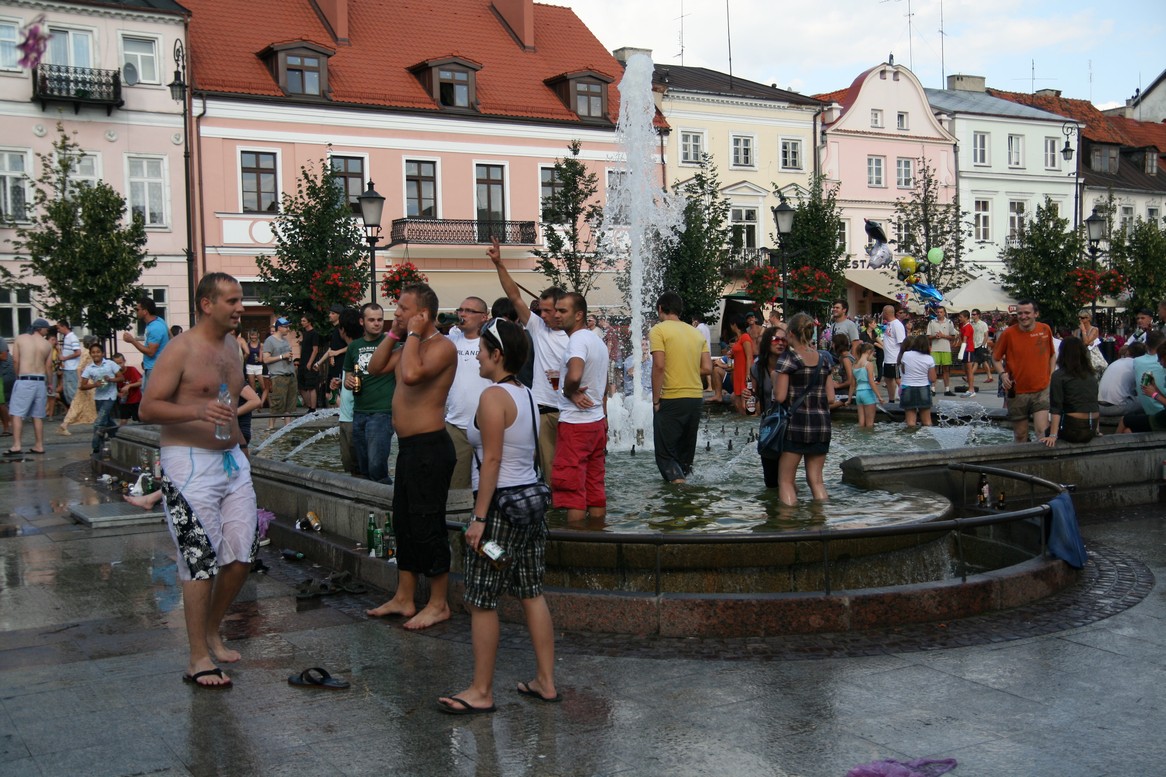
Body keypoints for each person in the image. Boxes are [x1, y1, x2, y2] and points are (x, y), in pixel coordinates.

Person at [139, 272, 256, 689]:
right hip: (188, 462)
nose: (240, 307)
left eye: (240, 300)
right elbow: (147, 409)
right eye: (232, 301)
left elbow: (227, 403)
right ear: (207, 304)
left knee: (242, 555)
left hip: (231, 460)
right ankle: (197, 658)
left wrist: (241, 449)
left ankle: (210, 629)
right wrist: (196, 411)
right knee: (199, 558)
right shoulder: (181, 348)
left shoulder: (232, 346)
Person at [436, 317, 558, 715]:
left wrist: (479, 519)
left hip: (500, 512)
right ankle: (545, 681)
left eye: (483, 351)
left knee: (482, 599)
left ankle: (481, 690)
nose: (477, 357)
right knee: (531, 592)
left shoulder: (493, 397)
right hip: (530, 508)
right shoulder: (526, 394)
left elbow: (491, 461)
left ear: (497, 354)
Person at [365, 283, 457, 630]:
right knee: (404, 522)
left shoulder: (442, 346)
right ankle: (404, 597)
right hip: (408, 449)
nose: (397, 312)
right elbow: (375, 367)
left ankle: (439, 603)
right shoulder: (408, 345)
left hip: (430, 447)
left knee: (427, 523)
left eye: (404, 308)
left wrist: (414, 334)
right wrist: (394, 333)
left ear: (423, 314)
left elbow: (411, 375)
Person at [488, 238, 568, 481]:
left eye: (547, 311)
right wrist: (499, 264)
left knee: (571, 469)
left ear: (561, 310)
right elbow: (514, 297)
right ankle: (552, 504)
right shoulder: (538, 327)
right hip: (543, 409)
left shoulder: (576, 336)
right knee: (549, 472)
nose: (541, 315)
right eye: (540, 310)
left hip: (570, 411)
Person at [553, 292, 609, 522]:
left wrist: (569, 391)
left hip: (576, 424)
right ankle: (597, 534)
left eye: (562, 311)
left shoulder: (576, 340)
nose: (556, 315)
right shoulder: (597, 341)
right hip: (596, 423)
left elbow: (575, 375)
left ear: (578, 315)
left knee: (572, 490)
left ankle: (575, 539)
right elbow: (602, 384)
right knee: (595, 486)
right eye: (556, 310)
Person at [772, 312, 835, 506]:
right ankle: (820, 519)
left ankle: (788, 520)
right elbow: (831, 398)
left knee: (785, 481)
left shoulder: (789, 359)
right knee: (816, 480)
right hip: (821, 425)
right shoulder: (824, 359)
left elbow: (780, 396)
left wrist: (775, 379)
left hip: (796, 425)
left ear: (791, 334)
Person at [649, 291, 711, 483]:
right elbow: (707, 368)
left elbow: (659, 366)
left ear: (660, 308)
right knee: (685, 459)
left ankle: (678, 491)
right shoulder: (696, 333)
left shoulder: (658, 330)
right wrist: (686, 369)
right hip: (695, 399)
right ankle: (686, 494)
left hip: (671, 398)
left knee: (666, 455)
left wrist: (656, 400)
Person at [343, 304, 396, 484]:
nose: (377, 323)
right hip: (359, 412)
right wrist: (348, 381)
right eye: (372, 320)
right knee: (363, 466)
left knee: (376, 466)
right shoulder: (354, 346)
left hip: (382, 412)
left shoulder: (391, 344)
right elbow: (348, 374)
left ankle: (385, 497)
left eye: (380, 319)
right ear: (362, 321)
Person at [445, 297, 493, 490]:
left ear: (484, 317)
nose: (463, 314)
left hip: (487, 427)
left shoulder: (491, 344)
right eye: (461, 310)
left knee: (489, 485)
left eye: (470, 311)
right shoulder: (450, 342)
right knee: (456, 487)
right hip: (456, 425)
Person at [993, 299, 1057, 442]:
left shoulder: (1045, 329)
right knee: (1020, 434)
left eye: (1027, 313)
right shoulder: (1008, 333)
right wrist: (1002, 375)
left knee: (1042, 431)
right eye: (1019, 313)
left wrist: (1051, 375)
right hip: (1017, 391)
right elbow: (995, 358)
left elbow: (1052, 355)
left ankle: (1042, 456)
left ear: (1036, 314)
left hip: (1041, 390)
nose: (1023, 316)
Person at [5, 318, 54, 456]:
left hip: (25, 379)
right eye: (46, 329)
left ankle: (16, 445)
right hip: (40, 382)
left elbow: (15, 360)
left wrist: (17, 376)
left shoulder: (20, 339)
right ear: (40, 328)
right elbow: (49, 366)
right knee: (37, 415)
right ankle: (39, 445)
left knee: (16, 413)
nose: (47, 331)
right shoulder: (47, 344)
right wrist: (50, 383)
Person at [1040, 336, 1100, 447]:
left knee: (1046, 432)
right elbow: (1094, 402)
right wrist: (1096, 430)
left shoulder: (1059, 376)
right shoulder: (1091, 375)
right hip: (1091, 429)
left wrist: (1053, 435)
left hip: (1072, 430)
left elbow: (1056, 407)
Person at [748, 323, 787, 488]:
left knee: (786, 479)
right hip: (769, 425)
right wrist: (749, 396)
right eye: (776, 339)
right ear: (767, 342)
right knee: (770, 480)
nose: (781, 343)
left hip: (789, 424)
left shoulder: (790, 365)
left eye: (784, 340)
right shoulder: (757, 368)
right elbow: (754, 397)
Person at [329, 308, 363, 475]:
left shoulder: (357, 351)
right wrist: (341, 383)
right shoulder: (352, 351)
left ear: (342, 330)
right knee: (352, 468)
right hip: (346, 415)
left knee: (355, 468)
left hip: (353, 418)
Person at [79, 343, 120, 454]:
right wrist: (94, 384)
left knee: (99, 422)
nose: (96, 354)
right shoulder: (89, 368)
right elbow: (82, 386)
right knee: (106, 420)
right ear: (90, 354)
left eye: (98, 352)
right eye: (93, 352)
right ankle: (117, 435)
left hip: (110, 396)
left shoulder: (110, 364)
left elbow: (121, 377)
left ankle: (96, 446)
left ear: (102, 353)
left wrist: (111, 379)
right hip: (98, 397)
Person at [122, 296, 169, 390]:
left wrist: (132, 341)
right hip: (154, 367)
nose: (136, 311)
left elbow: (151, 352)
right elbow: (171, 336)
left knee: (151, 397)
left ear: (145, 311)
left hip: (155, 368)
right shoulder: (158, 320)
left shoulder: (155, 328)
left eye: (137, 309)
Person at [59, 336, 98, 435]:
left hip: (89, 381)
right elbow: (79, 368)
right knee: (80, 404)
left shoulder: (89, 352)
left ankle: (99, 424)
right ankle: (65, 424)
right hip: (88, 382)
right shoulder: (87, 353)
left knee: (84, 404)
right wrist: (81, 381)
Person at [262, 317, 296, 428]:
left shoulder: (285, 341)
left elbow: (287, 355)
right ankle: (270, 427)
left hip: (290, 374)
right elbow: (266, 359)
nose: (288, 329)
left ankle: (288, 427)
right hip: (278, 376)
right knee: (276, 404)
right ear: (279, 327)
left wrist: (289, 357)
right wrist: (282, 356)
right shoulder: (269, 341)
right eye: (286, 327)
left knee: (289, 405)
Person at [1098, 342, 1145, 420]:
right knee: (1146, 400)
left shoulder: (1115, 362)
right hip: (1116, 407)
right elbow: (1142, 389)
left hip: (1099, 406)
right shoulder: (1137, 364)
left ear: (1128, 352)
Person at [899, 334, 937, 427]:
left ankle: (911, 435)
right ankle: (926, 435)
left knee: (910, 423)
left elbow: (903, 371)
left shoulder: (906, 355)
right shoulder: (929, 359)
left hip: (907, 388)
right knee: (927, 422)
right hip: (923, 388)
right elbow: (932, 379)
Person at [877, 304, 906, 403]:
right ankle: (891, 400)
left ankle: (905, 398)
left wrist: (901, 358)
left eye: (883, 312)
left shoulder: (897, 325)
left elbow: (902, 342)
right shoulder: (888, 324)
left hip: (895, 358)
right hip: (887, 358)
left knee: (897, 379)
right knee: (888, 379)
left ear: (886, 313)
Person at [926, 306, 957, 396]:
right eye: (938, 312)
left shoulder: (949, 322)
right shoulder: (932, 322)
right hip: (935, 349)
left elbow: (953, 336)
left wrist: (943, 336)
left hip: (946, 349)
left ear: (944, 313)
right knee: (934, 369)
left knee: (946, 369)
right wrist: (935, 336)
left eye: (941, 312)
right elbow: (928, 336)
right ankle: (932, 389)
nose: (939, 314)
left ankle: (947, 389)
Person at [727, 315, 755, 414]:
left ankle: (748, 420)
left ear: (734, 324)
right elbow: (739, 356)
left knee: (745, 404)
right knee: (738, 402)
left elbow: (749, 357)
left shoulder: (745, 337)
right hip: (738, 373)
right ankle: (742, 421)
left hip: (744, 373)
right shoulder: (738, 339)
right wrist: (731, 356)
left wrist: (748, 375)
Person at [852, 342, 883, 428]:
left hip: (858, 393)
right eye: (873, 354)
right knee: (870, 424)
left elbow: (852, 384)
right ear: (869, 351)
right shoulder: (869, 364)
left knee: (861, 423)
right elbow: (871, 382)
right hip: (868, 393)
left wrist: (849, 399)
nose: (873, 356)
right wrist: (879, 396)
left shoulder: (854, 365)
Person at [55, 320, 83, 409]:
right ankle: (72, 411)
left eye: (59, 328)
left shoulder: (72, 337)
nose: (58, 330)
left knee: (72, 392)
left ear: (64, 326)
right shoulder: (67, 338)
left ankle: (76, 411)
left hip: (72, 369)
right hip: (68, 368)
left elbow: (78, 352)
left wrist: (65, 358)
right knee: (67, 392)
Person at [296, 316, 321, 412]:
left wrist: (310, 363)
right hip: (303, 362)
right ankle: (309, 405)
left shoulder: (314, 333)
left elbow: (315, 349)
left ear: (309, 322)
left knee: (311, 386)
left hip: (310, 362)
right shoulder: (304, 333)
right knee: (301, 386)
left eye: (304, 321)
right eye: (301, 320)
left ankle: (313, 408)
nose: (302, 322)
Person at [828, 333, 855, 408]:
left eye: (833, 344)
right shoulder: (842, 357)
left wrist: (838, 385)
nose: (832, 346)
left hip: (850, 391)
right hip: (846, 389)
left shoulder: (846, 359)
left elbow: (850, 381)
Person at [956, 310, 977, 398]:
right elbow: (961, 337)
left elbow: (965, 339)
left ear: (966, 317)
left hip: (968, 349)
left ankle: (971, 389)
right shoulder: (962, 326)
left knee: (969, 370)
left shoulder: (968, 327)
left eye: (961, 317)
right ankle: (970, 388)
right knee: (966, 370)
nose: (959, 318)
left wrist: (961, 352)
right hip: (965, 349)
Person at [970, 309, 994, 385]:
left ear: (978, 315)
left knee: (977, 361)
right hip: (974, 345)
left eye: (974, 314)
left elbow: (986, 335)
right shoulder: (971, 324)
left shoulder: (983, 324)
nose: (972, 316)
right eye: (972, 314)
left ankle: (969, 376)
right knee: (984, 361)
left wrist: (983, 345)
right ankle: (990, 376)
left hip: (981, 344)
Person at [0, 332, 15, 437]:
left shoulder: (0, 340)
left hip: (4, 374)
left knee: (1, 403)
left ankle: (7, 427)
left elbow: (4, 356)